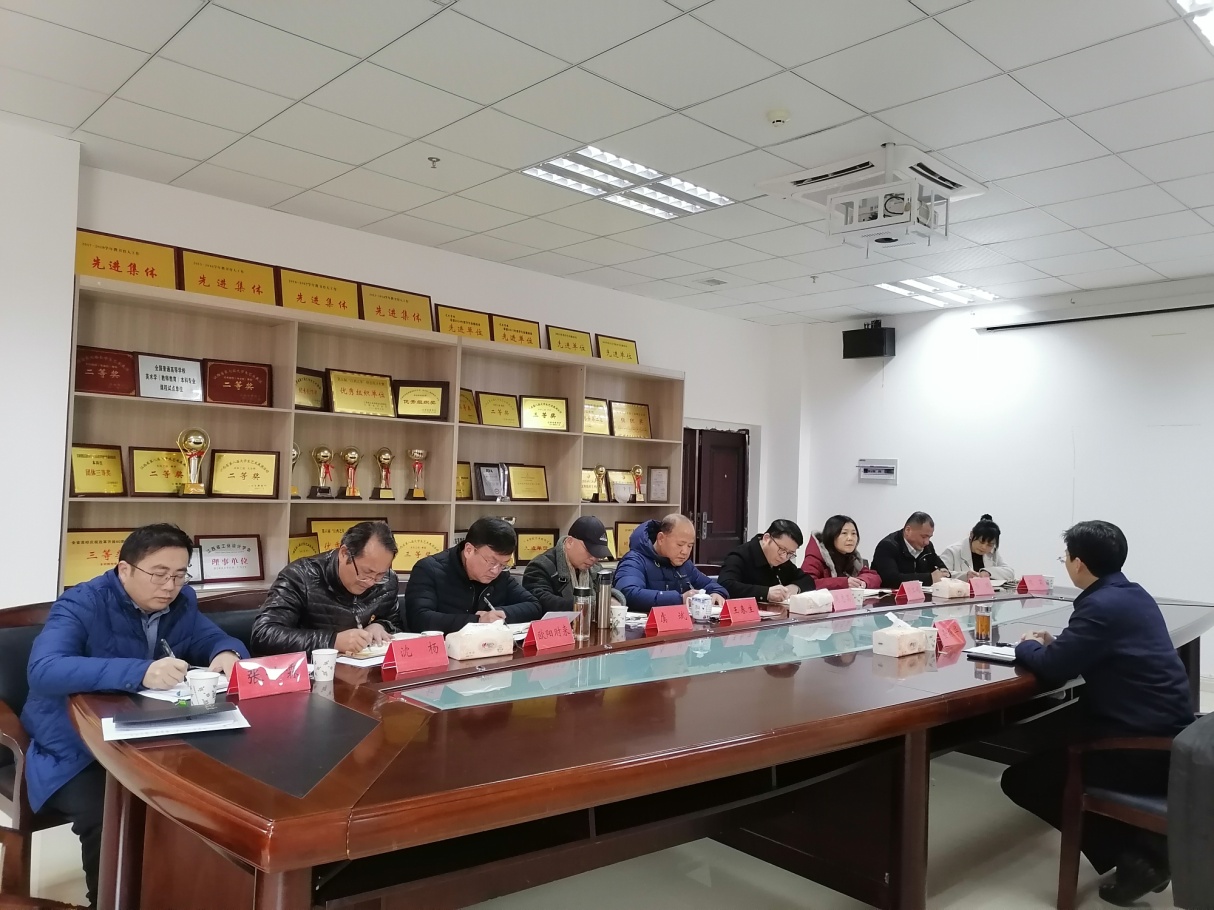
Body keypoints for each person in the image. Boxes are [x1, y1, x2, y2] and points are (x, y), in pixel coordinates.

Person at [22, 524, 249, 909]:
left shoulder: (182, 601)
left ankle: (179, 894)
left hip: (150, 737)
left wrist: (227, 652)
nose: (170, 586)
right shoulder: (83, 603)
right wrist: (140, 672)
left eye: (179, 575)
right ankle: (108, 900)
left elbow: (209, 637)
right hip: (75, 746)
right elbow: (44, 669)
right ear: (124, 569)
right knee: (112, 813)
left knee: (213, 795)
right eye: (159, 574)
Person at [1001, 520, 1193, 906]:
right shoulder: (1132, 594)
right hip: (1167, 733)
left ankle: (1139, 856)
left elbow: (1054, 669)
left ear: (1079, 563)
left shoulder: (1100, 605)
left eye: (1066, 557)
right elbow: (1089, 647)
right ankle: (1143, 845)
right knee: (1049, 737)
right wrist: (1057, 644)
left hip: (1140, 748)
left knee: (1021, 780)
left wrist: (1026, 645)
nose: (1066, 563)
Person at [252, 520, 400, 655]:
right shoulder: (300, 576)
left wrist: (380, 626)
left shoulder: (387, 581)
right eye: (366, 572)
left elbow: (395, 624)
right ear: (344, 554)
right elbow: (264, 635)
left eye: (380, 574)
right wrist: (332, 641)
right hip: (310, 670)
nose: (371, 582)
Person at [406, 517, 541, 633]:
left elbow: (534, 606)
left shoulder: (501, 575)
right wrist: (477, 621)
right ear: (469, 550)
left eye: (504, 564)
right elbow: (419, 619)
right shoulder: (429, 569)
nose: (495, 571)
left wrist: (498, 614)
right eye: (491, 562)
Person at [614, 514, 727, 611]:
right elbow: (628, 593)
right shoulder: (634, 560)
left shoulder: (684, 564)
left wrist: (717, 593)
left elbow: (710, 585)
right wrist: (679, 599)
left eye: (689, 546)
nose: (685, 552)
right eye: (680, 545)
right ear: (661, 538)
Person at [522, 516, 624, 613]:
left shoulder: (595, 568)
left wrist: (613, 599)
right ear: (570, 542)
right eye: (589, 550)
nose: (593, 558)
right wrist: (597, 604)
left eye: (598, 553)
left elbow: (610, 591)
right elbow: (543, 603)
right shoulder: (541, 567)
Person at [717, 519, 817, 603]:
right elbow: (725, 585)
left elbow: (807, 580)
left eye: (790, 553)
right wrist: (766, 593)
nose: (784, 557)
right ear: (766, 538)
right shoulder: (740, 555)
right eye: (782, 549)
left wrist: (794, 588)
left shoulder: (782, 559)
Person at [800, 515, 882, 590]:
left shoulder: (853, 558)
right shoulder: (816, 556)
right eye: (844, 533)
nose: (850, 538)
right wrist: (844, 583)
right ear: (831, 535)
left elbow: (874, 577)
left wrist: (861, 581)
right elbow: (807, 583)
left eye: (854, 533)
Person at [871, 512, 949, 588]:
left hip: (922, 595)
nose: (927, 542)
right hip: (889, 596)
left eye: (929, 537)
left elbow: (942, 568)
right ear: (908, 530)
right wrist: (929, 578)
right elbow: (891, 579)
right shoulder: (887, 546)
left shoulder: (927, 547)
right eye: (923, 537)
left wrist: (943, 574)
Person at [940, 514, 1015, 582]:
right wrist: (964, 576)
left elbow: (1009, 572)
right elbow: (940, 574)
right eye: (981, 542)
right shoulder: (952, 551)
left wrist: (988, 572)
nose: (984, 547)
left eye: (989, 545)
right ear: (971, 535)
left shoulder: (992, 552)